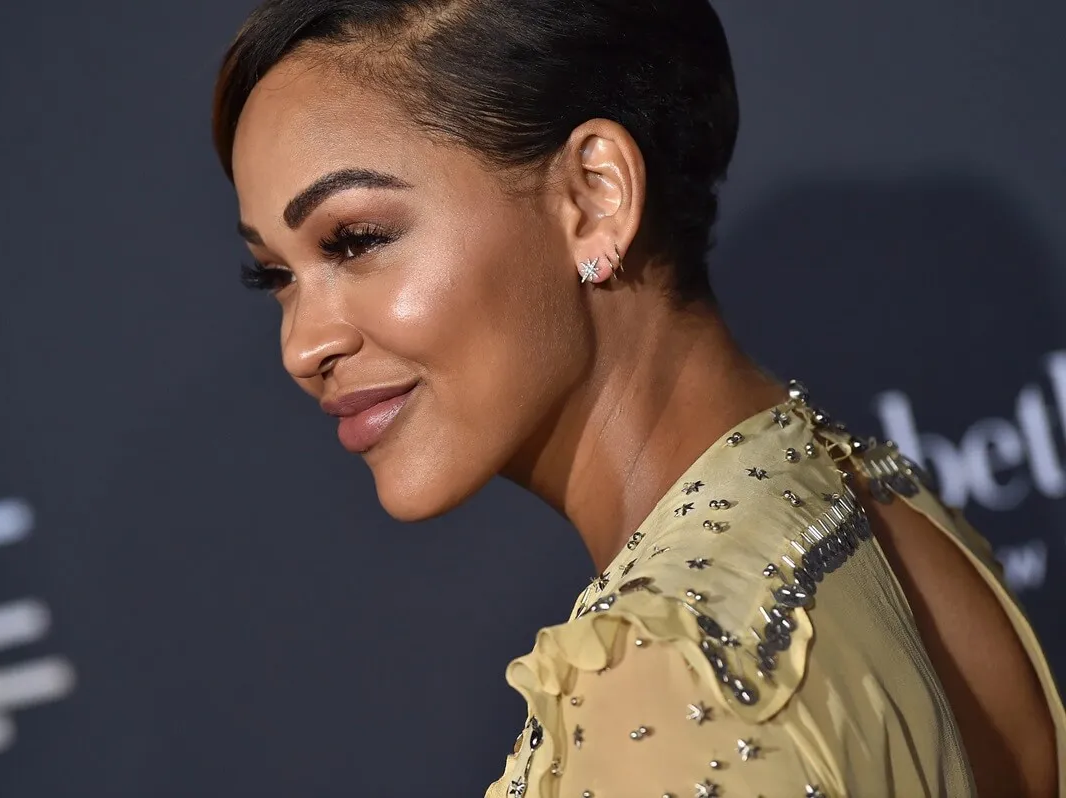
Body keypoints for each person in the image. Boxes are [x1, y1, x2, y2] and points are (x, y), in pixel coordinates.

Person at [210, 1, 1065, 795]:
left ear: (594, 197)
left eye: (356, 241)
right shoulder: (883, 511)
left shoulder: (666, 682)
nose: (303, 345)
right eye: (276, 276)